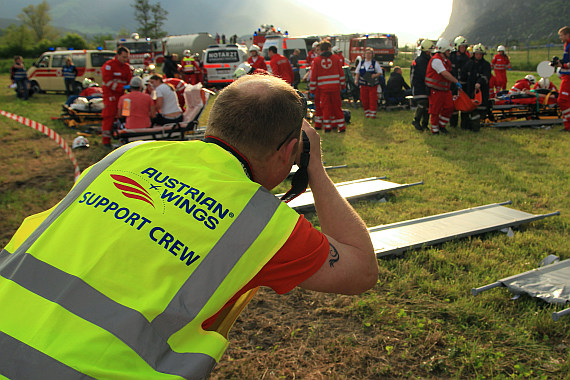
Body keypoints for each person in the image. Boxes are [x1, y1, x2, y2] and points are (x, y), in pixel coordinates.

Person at [0, 74, 378, 379]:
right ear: (286, 151)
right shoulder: (263, 223)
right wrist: (316, 171)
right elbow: (361, 269)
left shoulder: (130, 155)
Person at [425, 38, 461, 134]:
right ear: (443, 50)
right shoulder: (436, 60)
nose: (449, 52)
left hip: (445, 90)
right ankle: (435, 130)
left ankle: (441, 125)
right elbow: (445, 74)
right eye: (448, 50)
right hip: (435, 90)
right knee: (435, 111)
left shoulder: (445, 60)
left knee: (449, 107)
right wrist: (456, 81)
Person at [309, 41, 346, 132]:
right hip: (335, 88)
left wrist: (312, 90)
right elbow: (341, 74)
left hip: (323, 89)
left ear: (321, 49)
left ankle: (327, 127)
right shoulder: (336, 58)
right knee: (337, 107)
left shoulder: (316, 60)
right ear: (329, 48)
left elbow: (313, 77)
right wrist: (343, 85)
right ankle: (341, 127)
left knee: (325, 108)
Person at [101, 46, 132, 148]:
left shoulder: (127, 67)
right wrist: (122, 87)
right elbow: (108, 82)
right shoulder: (109, 66)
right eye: (123, 57)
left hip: (124, 95)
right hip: (111, 95)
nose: (125, 59)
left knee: (125, 115)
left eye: (127, 57)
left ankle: (123, 137)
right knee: (109, 116)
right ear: (117, 55)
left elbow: (129, 80)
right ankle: (106, 140)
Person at [460, 43, 492, 132]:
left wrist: (479, 82)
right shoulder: (468, 64)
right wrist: (461, 88)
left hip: (481, 92)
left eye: (480, 54)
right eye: (477, 53)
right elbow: (463, 77)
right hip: (469, 91)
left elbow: (486, 76)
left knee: (477, 111)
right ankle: (465, 126)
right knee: (466, 110)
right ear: (474, 54)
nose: (479, 55)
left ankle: (475, 128)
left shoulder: (486, 65)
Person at [411, 39, 434, 131]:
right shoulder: (421, 61)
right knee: (423, 103)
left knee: (427, 105)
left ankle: (425, 124)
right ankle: (416, 120)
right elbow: (425, 75)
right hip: (419, 86)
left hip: (423, 86)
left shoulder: (425, 59)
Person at [354, 47, 383, 119]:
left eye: (370, 53)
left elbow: (380, 72)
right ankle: (367, 113)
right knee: (364, 99)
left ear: (372, 55)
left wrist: (375, 75)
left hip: (372, 84)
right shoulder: (361, 63)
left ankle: (372, 114)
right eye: (367, 53)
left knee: (372, 99)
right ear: (364, 54)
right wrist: (356, 80)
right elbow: (357, 72)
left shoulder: (375, 63)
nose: (368, 55)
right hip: (363, 85)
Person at [449, 36, 471, 128]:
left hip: (463, 85)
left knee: (463, 104)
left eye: (464, 47)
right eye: (461, 46)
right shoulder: (451, 56)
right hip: (452, 84)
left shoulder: (466, 58)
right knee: (453, 105)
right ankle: (453, 124)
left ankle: (464, 125)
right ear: (457, 46)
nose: (463, 48)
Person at [554, 25, 570, 131]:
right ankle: (567, 126)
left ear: (567, 35)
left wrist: (562, 65)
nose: (560, 38)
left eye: (561, 35)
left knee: (562, 100)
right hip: (565, 76)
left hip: (568, 77)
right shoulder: (567, 45)